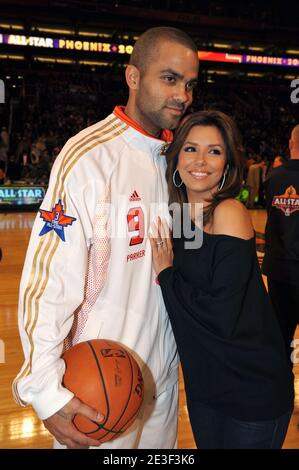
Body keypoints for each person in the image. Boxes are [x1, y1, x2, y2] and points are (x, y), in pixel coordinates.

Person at [13, 27, 199, 449]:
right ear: (133, 77)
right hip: (99, 386)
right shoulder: (89, 156)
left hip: (162, 384)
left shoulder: (182, 161)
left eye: (189, 84)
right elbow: (49, 280)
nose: (183, 95)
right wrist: (44, 388)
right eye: (169, 79)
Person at [149, 110, 294, 449]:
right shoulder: (178, 218)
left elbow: (222, 315)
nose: (200, 160)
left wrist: (166, 273)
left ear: (228, 164)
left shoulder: (228, 212)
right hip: (205, 390)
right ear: (176, 157)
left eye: (214, 151)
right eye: (190, 149)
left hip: (252, 390)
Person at [262, 124, 299, 363]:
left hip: (279, 271)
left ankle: (281, 396)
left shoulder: (273, 177)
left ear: (290, 144)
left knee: (280, 340)